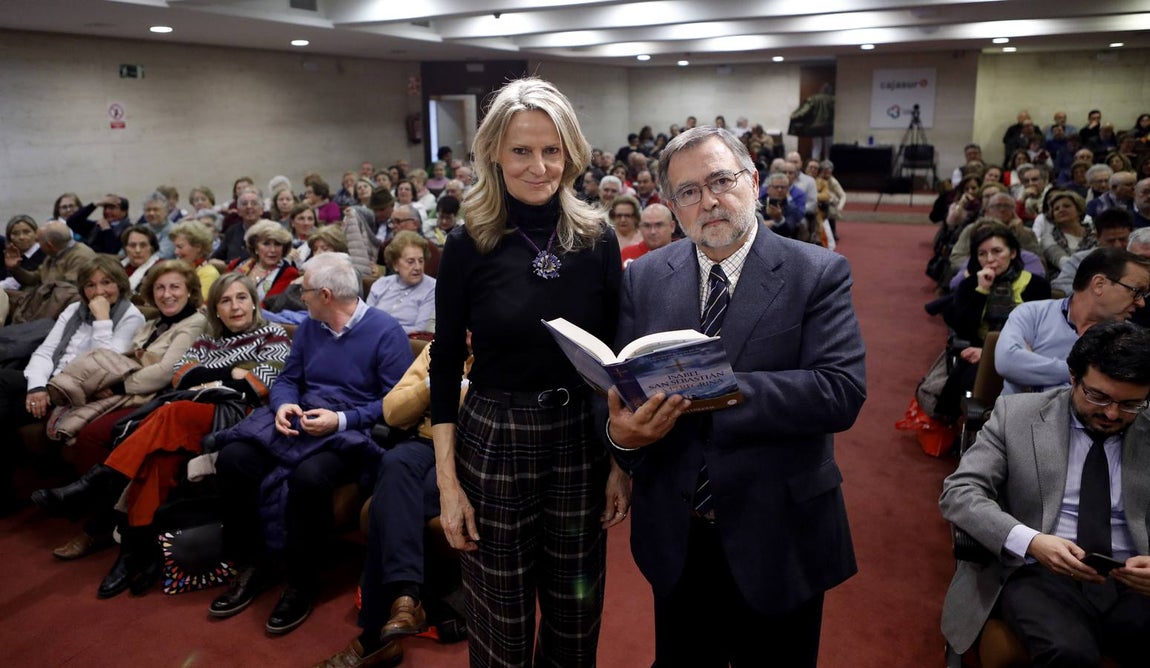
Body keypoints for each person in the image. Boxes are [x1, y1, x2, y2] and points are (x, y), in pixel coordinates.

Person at [606, 125, 866, 667]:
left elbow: (840, 391)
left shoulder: (815, 271)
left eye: (721, 180)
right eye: (689, 192)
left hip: (778, 529)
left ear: (751, 180)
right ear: (673, 207)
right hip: (677, 532)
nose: (710, 201)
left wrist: (709, 385)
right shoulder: (645, 279)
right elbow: (620, 390)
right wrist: (620, 439)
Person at [428, 77, 626, 667]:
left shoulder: (598, 240)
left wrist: (620, 462)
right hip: (495, 439)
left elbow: (616, 361)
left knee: (575, 622)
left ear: (570, 154)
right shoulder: (467, 244)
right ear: (494, 152)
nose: (538, 166)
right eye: (521, 150)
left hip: (581, 442)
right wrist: (447, 483)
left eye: (551, 150)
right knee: (501, 627)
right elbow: (443, 363)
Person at [33, 273, 289, 597]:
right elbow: (182, 377)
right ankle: (135, 551)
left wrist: (215, 378)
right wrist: (231, 373)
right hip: (194, 413)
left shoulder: (273, 335)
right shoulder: (209, 339)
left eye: (241, 297)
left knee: (172, 412)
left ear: (254, 302)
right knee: (157, 459)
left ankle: (100, 480)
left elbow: (258, 386)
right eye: (225, 300)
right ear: (216, 310)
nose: (234, 306)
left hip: (239, 419)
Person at [208, 254, 412, 635]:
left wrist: (342, 420)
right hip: (303, 418)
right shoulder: (310, 328)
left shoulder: (386, 332)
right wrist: (284, 403)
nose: (299, 297)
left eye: (304, 291)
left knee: (310, 476)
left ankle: (302, 581)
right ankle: (256, 562)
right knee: (233, 457)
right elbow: (289, 378)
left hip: (353, 431)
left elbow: (394, 403)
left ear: (326, 294)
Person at [941, 321, 1150, 665]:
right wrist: (1031, 541)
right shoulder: (1018, 416)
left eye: (1130, 404)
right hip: (1042, 571)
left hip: (1132, 579)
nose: (1112, 413)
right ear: (1072, 377)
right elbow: (960, 492)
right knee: (1069, 653)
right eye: (1098, 396)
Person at [33, 260, 206, 561]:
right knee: (83, 428)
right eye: (160, 288)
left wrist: (117, 386)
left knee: (93, 435)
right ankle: (92, 510)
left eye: (175, 287)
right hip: (130, 395)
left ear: (190, 292)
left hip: (154, 398)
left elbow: (164, 372)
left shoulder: (194, 324)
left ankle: (94, 524)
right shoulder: (152, 324)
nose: (167, 294)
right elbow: (123, 360)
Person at [0, 256, 144, 509]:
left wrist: (102, 319)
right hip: (50, 380)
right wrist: (37, 387)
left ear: (120, 284)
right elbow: (45, 352)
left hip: (78, 389)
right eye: (90, 285)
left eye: (106, 282)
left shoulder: (132, 316)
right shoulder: (74, 310)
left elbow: (104, 365)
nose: (98, 291)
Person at [996, 248, 1150, 395]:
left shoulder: (1128, 338)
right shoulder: (1032, 313)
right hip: (1016, 418)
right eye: (1136, 291)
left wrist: (1033, 365)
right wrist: (1083, 372)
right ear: (1099, 284)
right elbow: (1008, 363)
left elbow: (1110, 397)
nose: (1141, 303)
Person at [939, 223, 1051, 418]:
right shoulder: (970, 285)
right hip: (979, 351)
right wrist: (981, 291)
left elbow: (1041, 332)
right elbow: (964, 330)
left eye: (997, 251)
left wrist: (995, 353)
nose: (989, 259)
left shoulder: (1036, 284)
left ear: (1013, 253)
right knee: (968, 379)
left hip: (1026, 352)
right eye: (982, 254)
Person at [366, 231, 435, 333]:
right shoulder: (381, 284)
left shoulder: (432, 288)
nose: (418, 267)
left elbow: (421, 330)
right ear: (395, 264)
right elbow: (366, 320)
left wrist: (382, 330)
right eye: (410, 262)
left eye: (421, 260)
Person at [228, 220, 300, 306]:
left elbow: (269, 306)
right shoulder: (238, 263)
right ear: (256, 247)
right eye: (266, 244)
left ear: (283, 248)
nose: (272, 250)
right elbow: (219, 291)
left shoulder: (289, 273)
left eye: (277, 244)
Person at [169, 221, 219, 301]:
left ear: (198, 247)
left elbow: (198, 304)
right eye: (175, 247)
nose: (176, 252)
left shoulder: (209, 273)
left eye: (180, 247)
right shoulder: (180, 269)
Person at [621, 203, 676, 268]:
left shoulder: (684, 252)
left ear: (672, 226)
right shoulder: (627, 254)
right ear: (640, 228)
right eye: (647, 226)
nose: (653, 231)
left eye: (659, 225)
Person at [1, 215, 45, 292]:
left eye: (26, 232)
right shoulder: (12, 255)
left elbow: (15, 283)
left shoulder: (45, 253)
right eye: (15, 233)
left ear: (36, 234)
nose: (21, 237)